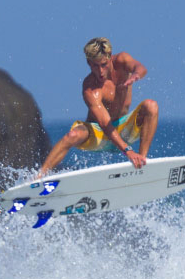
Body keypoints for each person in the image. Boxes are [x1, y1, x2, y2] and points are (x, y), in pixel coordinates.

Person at [36, 37, 159, 178]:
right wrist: (128, 151)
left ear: (110, 57)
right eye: (95, 66)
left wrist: (136, 75)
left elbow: (140, 68)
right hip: (100, 133)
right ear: (88, 63)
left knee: (151, 105)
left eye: (104, 64)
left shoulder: (122, 61)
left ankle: (142, 161)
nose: (100, 71)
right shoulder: (90, 88)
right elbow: (105, 124)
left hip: (125, 127)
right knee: (72, 135)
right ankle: (39, 177)